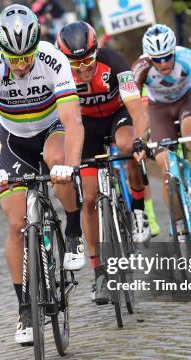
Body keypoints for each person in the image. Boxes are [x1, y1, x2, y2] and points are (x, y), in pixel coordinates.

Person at [0, 4, 84, 345]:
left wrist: (71, 166)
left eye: (26, 57)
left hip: (52, 129)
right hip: (14, 141)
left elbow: (73, 121)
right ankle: (25, 308)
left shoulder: (52, 59)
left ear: (36, 46)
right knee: (16, 223)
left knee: (57, 159)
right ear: (1, 51)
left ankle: (72, 230)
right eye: (12, 58)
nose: (20, 65)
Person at [56, 22, 160, 304]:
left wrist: (140, 139)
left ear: (96, 51)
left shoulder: (114, 62)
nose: (83, 69)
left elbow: (137, 108)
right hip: (85, 127)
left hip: (118, 117)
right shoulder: (61, 74)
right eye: (75, 64)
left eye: (88, 61)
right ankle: (99, 272)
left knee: (128, 146)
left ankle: (138, 212)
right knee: (88, 197)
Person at [131, 24, 191, 241]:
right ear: (149, 57)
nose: (163, 63)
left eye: (167, 57)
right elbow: (134, 108)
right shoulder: (140, 67)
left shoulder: (188, 58)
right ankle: (179, 224)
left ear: (174, 51)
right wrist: (140, 138)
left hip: (185, 102)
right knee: (165, 166)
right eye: (157, 59)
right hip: (158, 109)